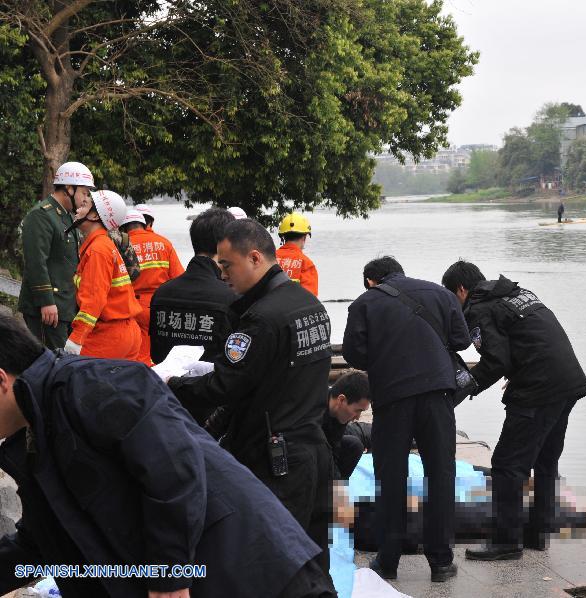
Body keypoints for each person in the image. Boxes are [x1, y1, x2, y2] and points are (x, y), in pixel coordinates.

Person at [0, 313, 335, 598]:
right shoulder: (33, 437)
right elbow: (43, 539)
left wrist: (168, 573)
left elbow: (173, 468)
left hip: (249, 571)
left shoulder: (90, 384)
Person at [167, 219, 334, 575]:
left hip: (276, 457)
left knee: (272, 558)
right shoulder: (310, 304)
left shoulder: (261, 319)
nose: (223, 275)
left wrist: (174, 385)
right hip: (314, 449)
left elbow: (226, 386)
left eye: (227, 265)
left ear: (255, 258)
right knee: (315, 558)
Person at [440, 261, 586, 561]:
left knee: (508, 464)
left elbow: (496, 361)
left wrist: (464, 388)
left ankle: (506, 542)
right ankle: (539, 534)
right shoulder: (515, 293)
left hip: (538, 388)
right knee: (546, 459)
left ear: (461, 289)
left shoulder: (478, 308)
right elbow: (528, 342)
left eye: (450, 297)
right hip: (567, 381)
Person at [342, 256, 470, 583]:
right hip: (438, 395)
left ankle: (388, 562)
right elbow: (462, 341)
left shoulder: (365, 303)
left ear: (372, 281)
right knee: (440, 475)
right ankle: (441, 563)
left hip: (392, 398)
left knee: (391, 477)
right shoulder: (441, 295)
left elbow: (354, 354)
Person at [149, 207, 237, 370]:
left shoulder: (162, 293)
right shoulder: (231, 297)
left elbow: (156, 353)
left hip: (166, 391)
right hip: (212, 391)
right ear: (224, 244)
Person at [17, 161, 93, 349]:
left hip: (65, 308)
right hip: (48, 309)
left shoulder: (66, 216)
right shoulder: (42, 215)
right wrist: (46, 301)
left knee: (62, 365)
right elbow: (36, 262)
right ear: (69, 188)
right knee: (48, 365)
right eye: (84, 192)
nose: (85, 199)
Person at [65, 190, 142, 360]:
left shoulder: (97, 250)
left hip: (108, 336)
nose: (77, 209)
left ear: (93, 216)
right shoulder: (104, 245)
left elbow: (94, 298)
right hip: (125, 332)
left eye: (84, 205)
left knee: (79, 382)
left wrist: (77, 337)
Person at [121, 209, 185, 365]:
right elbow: (179, 278)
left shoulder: (121, 246)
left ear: (123, 228)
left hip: (132, 305)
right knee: (159, 354)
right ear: (145, 225)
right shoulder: (163, 243)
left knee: (137, 354)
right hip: (161, 305)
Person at [323, 370, 371, 479]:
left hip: (322, 449)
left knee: (354, 445)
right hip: (301, 453)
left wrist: (338, 489)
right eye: (357, 410)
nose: (357, 417)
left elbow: (333, 454)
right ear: (341, 400)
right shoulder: (313, 410)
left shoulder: (339, 415)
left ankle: (334, 492)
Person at [276, 213, 319, 296]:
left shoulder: (269, 258)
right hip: (296, 308)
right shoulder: (306, 263)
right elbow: (310, 299)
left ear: (283, 237)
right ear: (304, 237)